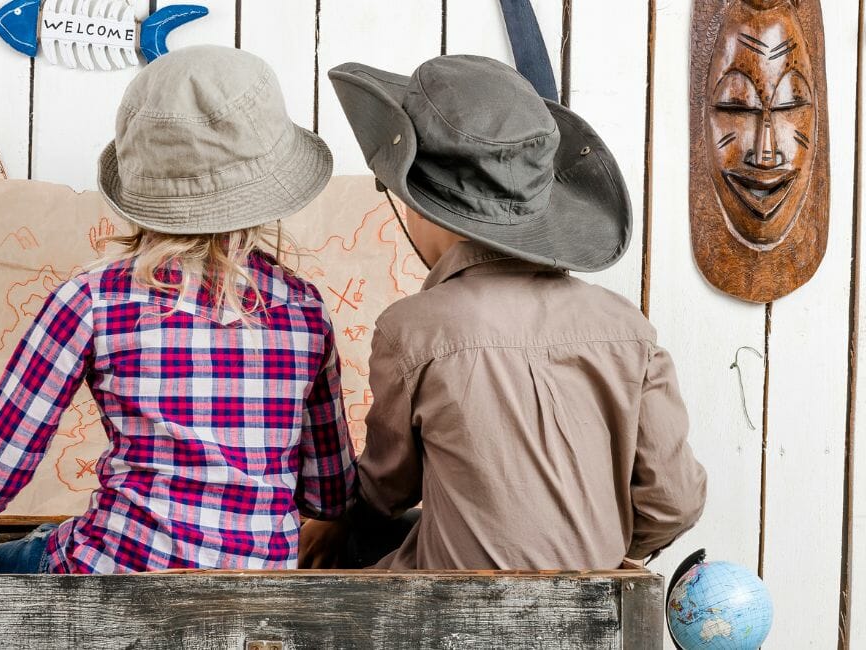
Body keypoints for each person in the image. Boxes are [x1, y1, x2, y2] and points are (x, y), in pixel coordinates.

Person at [0, 45, 357, 573]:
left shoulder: (93, 298)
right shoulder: (305, 310)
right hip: (260, 592)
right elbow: (330, 492)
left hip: (119, 572)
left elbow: (3, 454)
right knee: (47, 534)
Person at [299, 54, 706, 571]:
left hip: (447, 621)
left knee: (340, 551)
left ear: (423, 208)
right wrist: (586, 558)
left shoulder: (413, 331)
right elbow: (675, 502)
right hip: (591, 616)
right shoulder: (628, 328)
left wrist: (330, 521)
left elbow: (385, 489)